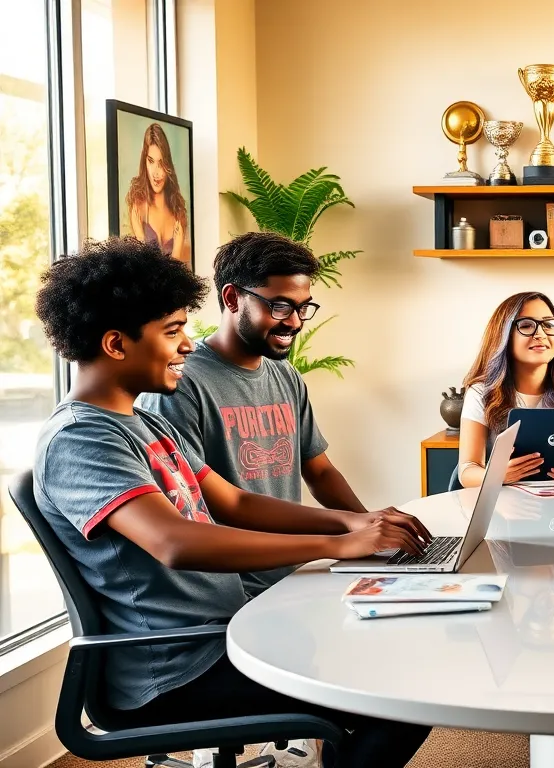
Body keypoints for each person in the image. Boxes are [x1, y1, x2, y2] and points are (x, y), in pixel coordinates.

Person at [31, 237, 433, 768]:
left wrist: (356, 523)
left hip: (231, 631)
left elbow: (237, 503)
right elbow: (175, 543)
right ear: (115, 344)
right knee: (400, 700)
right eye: (172, 331)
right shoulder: (81, 438)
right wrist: (336, 543)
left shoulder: (143, 423)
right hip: (179, 667)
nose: (186, 345)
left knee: (398, 660)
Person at [138, 232, 368, 766]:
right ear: (231, 298)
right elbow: (207, 509)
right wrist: (339, 538)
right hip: (238, 588)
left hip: (295, 571)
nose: (294, 321)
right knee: (379, 688)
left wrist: (369, 524)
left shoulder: (285, 376)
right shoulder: (176, 387)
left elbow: (318, 468)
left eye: (304, 307)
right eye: (280, 306)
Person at [457, 291, 554, 488]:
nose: (540, 334)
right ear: (503, 335)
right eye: (526, 325)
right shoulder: (481, 392)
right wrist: (497, 475)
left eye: (549, 324)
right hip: (503, 500)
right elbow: (467, 470)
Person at [126, 122, 191, 266]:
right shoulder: (138, 207)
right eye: (151, 161)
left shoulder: (178, 212)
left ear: (168, 165)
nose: (156, 172)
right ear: (144, 162)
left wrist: (177, 251)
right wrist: (140, 237)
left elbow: (180, 272)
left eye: (161, 163)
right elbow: (140, 268)